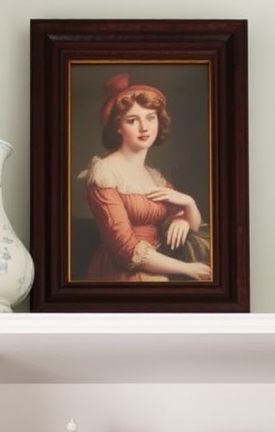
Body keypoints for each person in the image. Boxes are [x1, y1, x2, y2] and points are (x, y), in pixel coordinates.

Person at [78, 74, 213, 284]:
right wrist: (187, 268)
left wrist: (187, 206)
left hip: (162, 267)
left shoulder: (153, 176)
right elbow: (126, 251)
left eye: (151, 117)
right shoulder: (103, 174)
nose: (145, 127)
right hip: (121, 274)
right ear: (118, 127)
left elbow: (194, 226)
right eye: (133, 120)